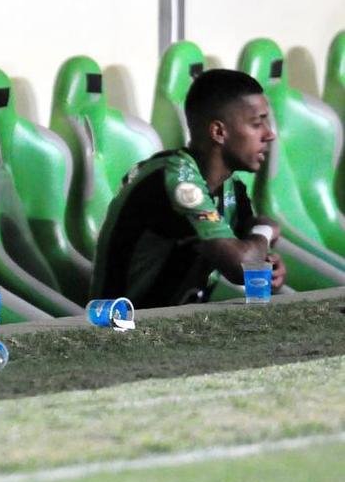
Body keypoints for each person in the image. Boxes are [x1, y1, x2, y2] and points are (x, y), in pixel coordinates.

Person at [91, 68, 287, 307]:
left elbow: (251, 255)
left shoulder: (231, 188)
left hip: (173, 322)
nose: (269, 134)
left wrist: (270, 265)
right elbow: (243, 267)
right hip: (120, 323)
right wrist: (265, 231)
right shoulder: (174, 180)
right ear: (218, 132)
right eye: (257, 124)